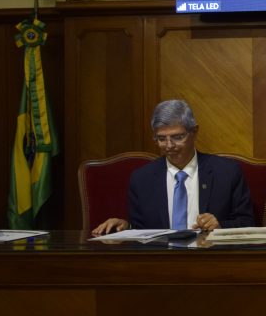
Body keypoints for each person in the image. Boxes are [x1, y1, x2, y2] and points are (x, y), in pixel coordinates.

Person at [91, 100, 254, 234]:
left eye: (177, 137)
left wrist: (220, 227)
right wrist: (126, 227)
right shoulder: (142, 179)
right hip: (160, 263)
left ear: (195, 132)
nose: (169, 146)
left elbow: (248, 223)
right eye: (161, 139)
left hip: (211, 260)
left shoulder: (226, 172)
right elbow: (141, 231)